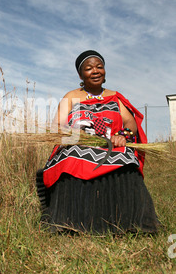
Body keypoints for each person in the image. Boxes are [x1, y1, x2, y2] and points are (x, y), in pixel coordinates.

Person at [36, 50, 161, 234]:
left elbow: (130, 123)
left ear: (105, 71)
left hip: (110, 144)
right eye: (88, 68)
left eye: (99, 67)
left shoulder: (115, 97)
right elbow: (57, 126)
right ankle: (71, 223)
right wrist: (75, 136)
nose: (95, 71)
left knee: (125, 158)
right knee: (73, 156)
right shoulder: (71, 96)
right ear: (80, 74)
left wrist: (123, 135)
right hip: (77, 144)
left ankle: (130, 223)